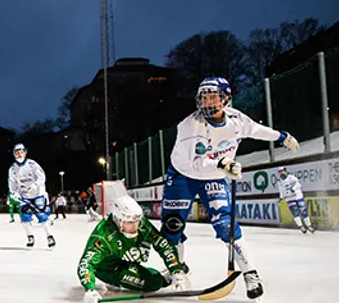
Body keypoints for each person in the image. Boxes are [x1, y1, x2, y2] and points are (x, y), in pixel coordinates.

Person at [160, 77, 300, 301]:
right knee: (172, 224)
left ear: (225, 99)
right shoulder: (188, 126)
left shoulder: (236, 119)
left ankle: (251, 273)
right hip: (182, 174)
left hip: (214, 175)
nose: (208, 103)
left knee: (226, 224)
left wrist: (282, 137)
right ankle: (177, 269)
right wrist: (222, 164)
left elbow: (256, 130)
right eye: (204, 98)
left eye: (213, 97)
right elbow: (192, 163)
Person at [78, 196, 189, 303]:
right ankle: (116, 281)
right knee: (155, 282)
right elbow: (86, 264)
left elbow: (162, 244)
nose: (135, 227)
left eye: (137, 222)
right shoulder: (103, 236)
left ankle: (165, 275)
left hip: (125, 257)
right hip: (110, 269)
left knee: (151, 271)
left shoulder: (139, 223)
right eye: (130, 223)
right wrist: (90, 289)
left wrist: (176, 269)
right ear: (117, 220)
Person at [8, 143, 55, 248]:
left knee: (42, 216)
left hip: (37, 194)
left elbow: (41, 177)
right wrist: (14, 193)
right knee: (25, 217)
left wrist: (35, 186)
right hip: (24, 197)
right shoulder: (12, 169)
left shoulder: (32, 164)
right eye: (17, 153)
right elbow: (12, 184)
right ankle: (30, 236)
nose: (19, 155)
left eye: (21, 152)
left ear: (25, 152)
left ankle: (49, 236)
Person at [277, 166, 314, 233]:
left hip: (298, 197)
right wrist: (281, 198)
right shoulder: (279, 182)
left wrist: (293, 189)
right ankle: (301, 226)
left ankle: (309, 226)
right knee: (295, 212)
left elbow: (298, 184)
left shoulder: (291, 178)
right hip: (289, 198)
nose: (281, 173)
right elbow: (281, 191)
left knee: (303, 211)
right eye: (279, 172)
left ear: (285, 171)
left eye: (282, 171)